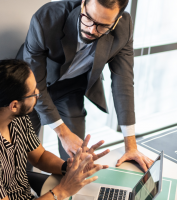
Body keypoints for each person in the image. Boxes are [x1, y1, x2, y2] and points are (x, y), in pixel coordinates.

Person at [23, 0, 153, 171]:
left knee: (76, 159)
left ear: (117, 20)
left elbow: (124, 82)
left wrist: (131, 146)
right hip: (28, 88)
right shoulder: (47, 18)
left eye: (103, 26)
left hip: (70, 89)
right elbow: (35, 83)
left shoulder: (124, 27)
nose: (92, 30)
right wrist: (62, 132)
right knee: (23, 153)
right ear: (83, 3)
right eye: (88, 18)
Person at [0, 59, 109, 200]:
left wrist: (68, 168)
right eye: (33, 92)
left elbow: (39, 157)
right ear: (14, 105)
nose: (38, 93)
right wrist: (62, 191)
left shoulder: (16, 118)